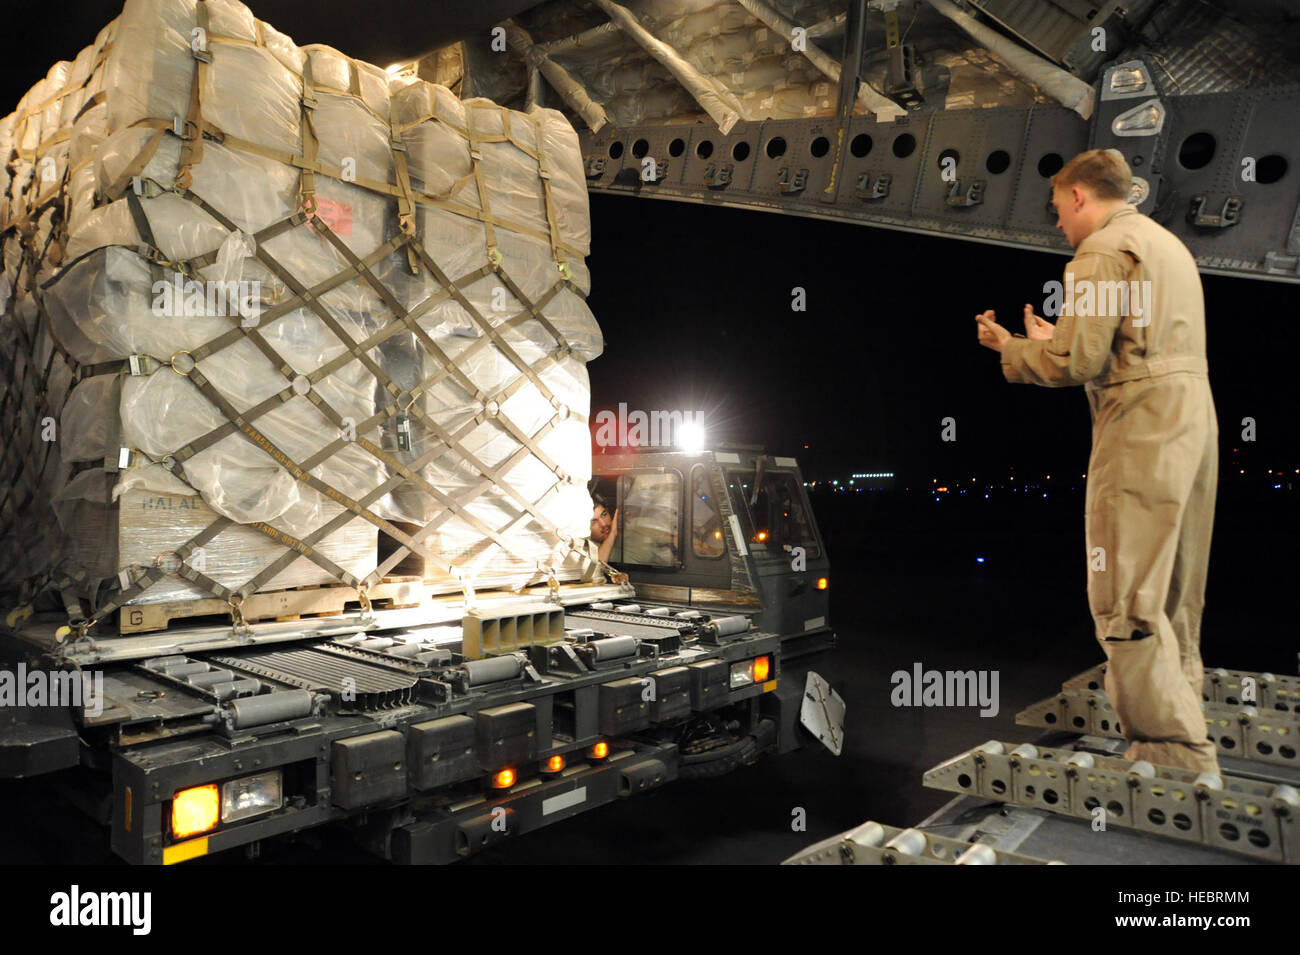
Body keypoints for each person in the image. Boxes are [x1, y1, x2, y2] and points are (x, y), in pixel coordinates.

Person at [975, 148, 1219, 774]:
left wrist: (1015, 350)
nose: (1058, 223)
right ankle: (1183, 720)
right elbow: (1125, 343)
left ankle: (1170, 753)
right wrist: (1062, 338)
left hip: (1141, 425)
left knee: (1125, 593)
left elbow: (1078, 364)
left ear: (1080, 196)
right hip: (1191, 417)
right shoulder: (1164, 244)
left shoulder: (1100, 251)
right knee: (1172, 592)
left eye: (1058, 209)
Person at [589, 495, 619, 565]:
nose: (603, 524)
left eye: (604, 514)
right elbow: (595, 568)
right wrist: (612, 534)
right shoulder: (580, 550)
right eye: (594, 521)